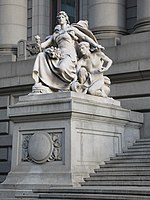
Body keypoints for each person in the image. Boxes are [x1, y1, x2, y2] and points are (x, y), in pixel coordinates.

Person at [32, 11, 104, 93]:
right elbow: (44, 45)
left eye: (62, 17)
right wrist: (38, 43)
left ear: (66, 19)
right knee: (41, 55)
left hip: (69, 54)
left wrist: (95, 45)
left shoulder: (71, 29)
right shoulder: (56, 34)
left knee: (62, 68)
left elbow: (84, 36)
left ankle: (67, 84)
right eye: (59, 18)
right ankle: (44, 82)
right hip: (59, 55)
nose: (60, 19)